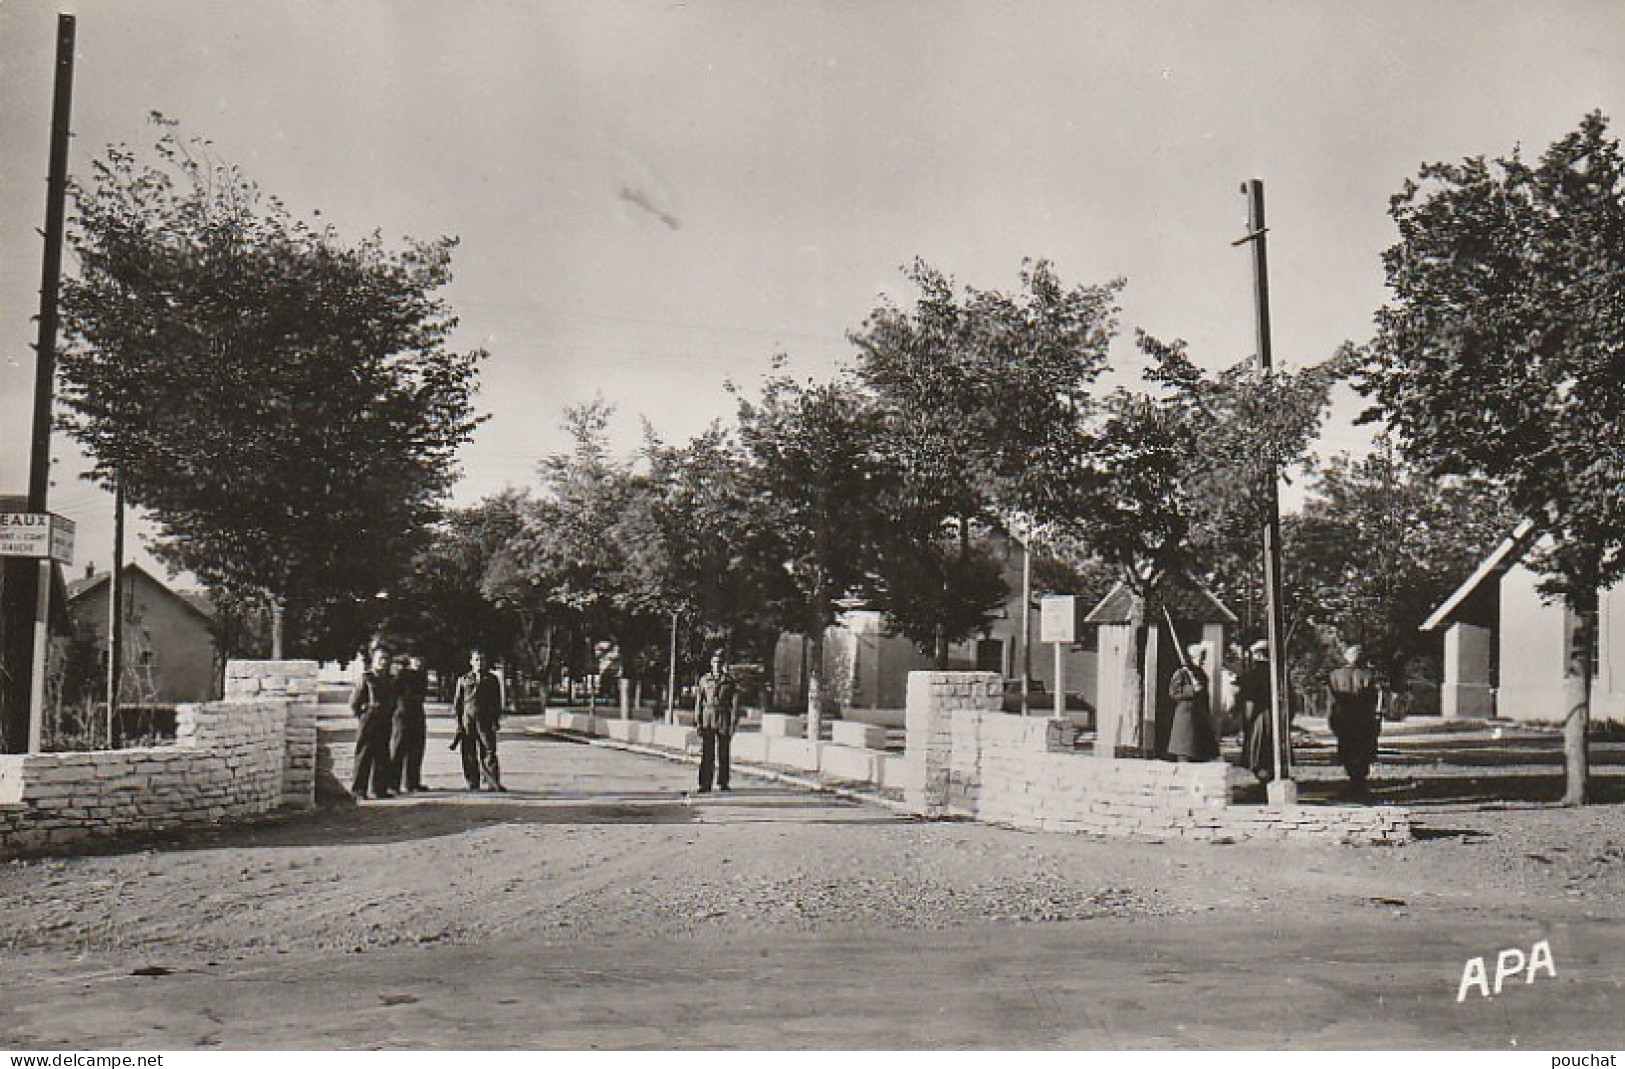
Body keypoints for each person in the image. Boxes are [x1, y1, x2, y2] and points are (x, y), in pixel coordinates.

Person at [1327, 644, 1382, 793]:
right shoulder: (1368, 676)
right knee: (1362, 750)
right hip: (1363, 720)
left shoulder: (1334, 676)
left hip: (1344, 719)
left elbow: (1331, 701)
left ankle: (1353, 781)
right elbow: (1373, 700)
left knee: (1347, 749)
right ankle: (1359, 782)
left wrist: (1332, 720)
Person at [452, 649, 506, 792]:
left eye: (482, 659)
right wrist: (459, 724)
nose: (479, 663)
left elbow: (496, 701)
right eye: (476, 660)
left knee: (489, 750)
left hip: (486, 720)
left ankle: (493, 782)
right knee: (469, 752)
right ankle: (472, 782)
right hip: (468, 721)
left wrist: (496, 720)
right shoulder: (463, 680)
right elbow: (458, 704)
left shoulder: (492, 680)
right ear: (471, 662)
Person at [349, 647, 399, 800]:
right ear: (373, 660)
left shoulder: (391, 679)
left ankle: (380, 789)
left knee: (382, 755)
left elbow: (394, 701)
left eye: (386, 659)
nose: (383, 662)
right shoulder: (367, 678)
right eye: (380, 658)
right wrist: (364, 716)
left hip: (385, 720)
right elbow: (354, 703)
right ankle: (359, 790)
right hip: (369, 721)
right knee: (364, 755)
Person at [693, 650, 740, 793]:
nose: (717, 665)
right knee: (707, 753)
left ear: (722, 665)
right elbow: (699, 702)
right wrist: (698, 721)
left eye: (719, 663)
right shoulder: (704, 680)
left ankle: (723, 782)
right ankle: (704, 784)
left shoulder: (729, 682)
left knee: (723, 753)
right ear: (711, 664)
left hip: (723, 717)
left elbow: (735, 704)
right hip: (708, 718)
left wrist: (733, 723)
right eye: (714, 662)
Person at [1165, 644, 1219, 762]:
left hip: (1199, 719)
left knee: (1201, 756)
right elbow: (1173, 693)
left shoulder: (1200, 674)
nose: (1203, 660)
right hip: (1186, 721)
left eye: (1204, 657)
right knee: (1185, 755)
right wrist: (1191, 690)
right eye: (1201, 657)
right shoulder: (1181, 673)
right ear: (1193, 657)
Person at [1237, 639, 1276, 782]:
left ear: (1258, 656)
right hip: (1275, 716)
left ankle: (1263, 778)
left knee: (1259, 750)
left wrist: (1247, 721)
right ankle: (1268, 776)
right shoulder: (1278, 674)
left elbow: (1249, 700)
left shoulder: (1253, 676)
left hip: (1259, 715)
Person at [392, 654, 429, 793]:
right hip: (402, 715)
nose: (419, 662)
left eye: (421, 659)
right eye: (416, 659)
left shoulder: (422, 675)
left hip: (417, 715)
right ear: (410, 661)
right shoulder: (402, 674)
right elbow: (394, 694)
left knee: (416, 750)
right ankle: (393, 784)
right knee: (398, 749)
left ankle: (412, 783)